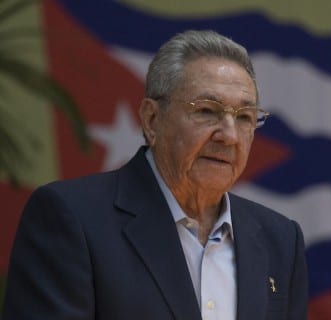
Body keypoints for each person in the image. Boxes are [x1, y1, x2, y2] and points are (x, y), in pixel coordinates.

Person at [2, 30, 308, 320]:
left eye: (244, 117)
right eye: (206, 110)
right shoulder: (71, 217)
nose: (229, 135)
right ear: (151, 119)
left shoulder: (279, 239)